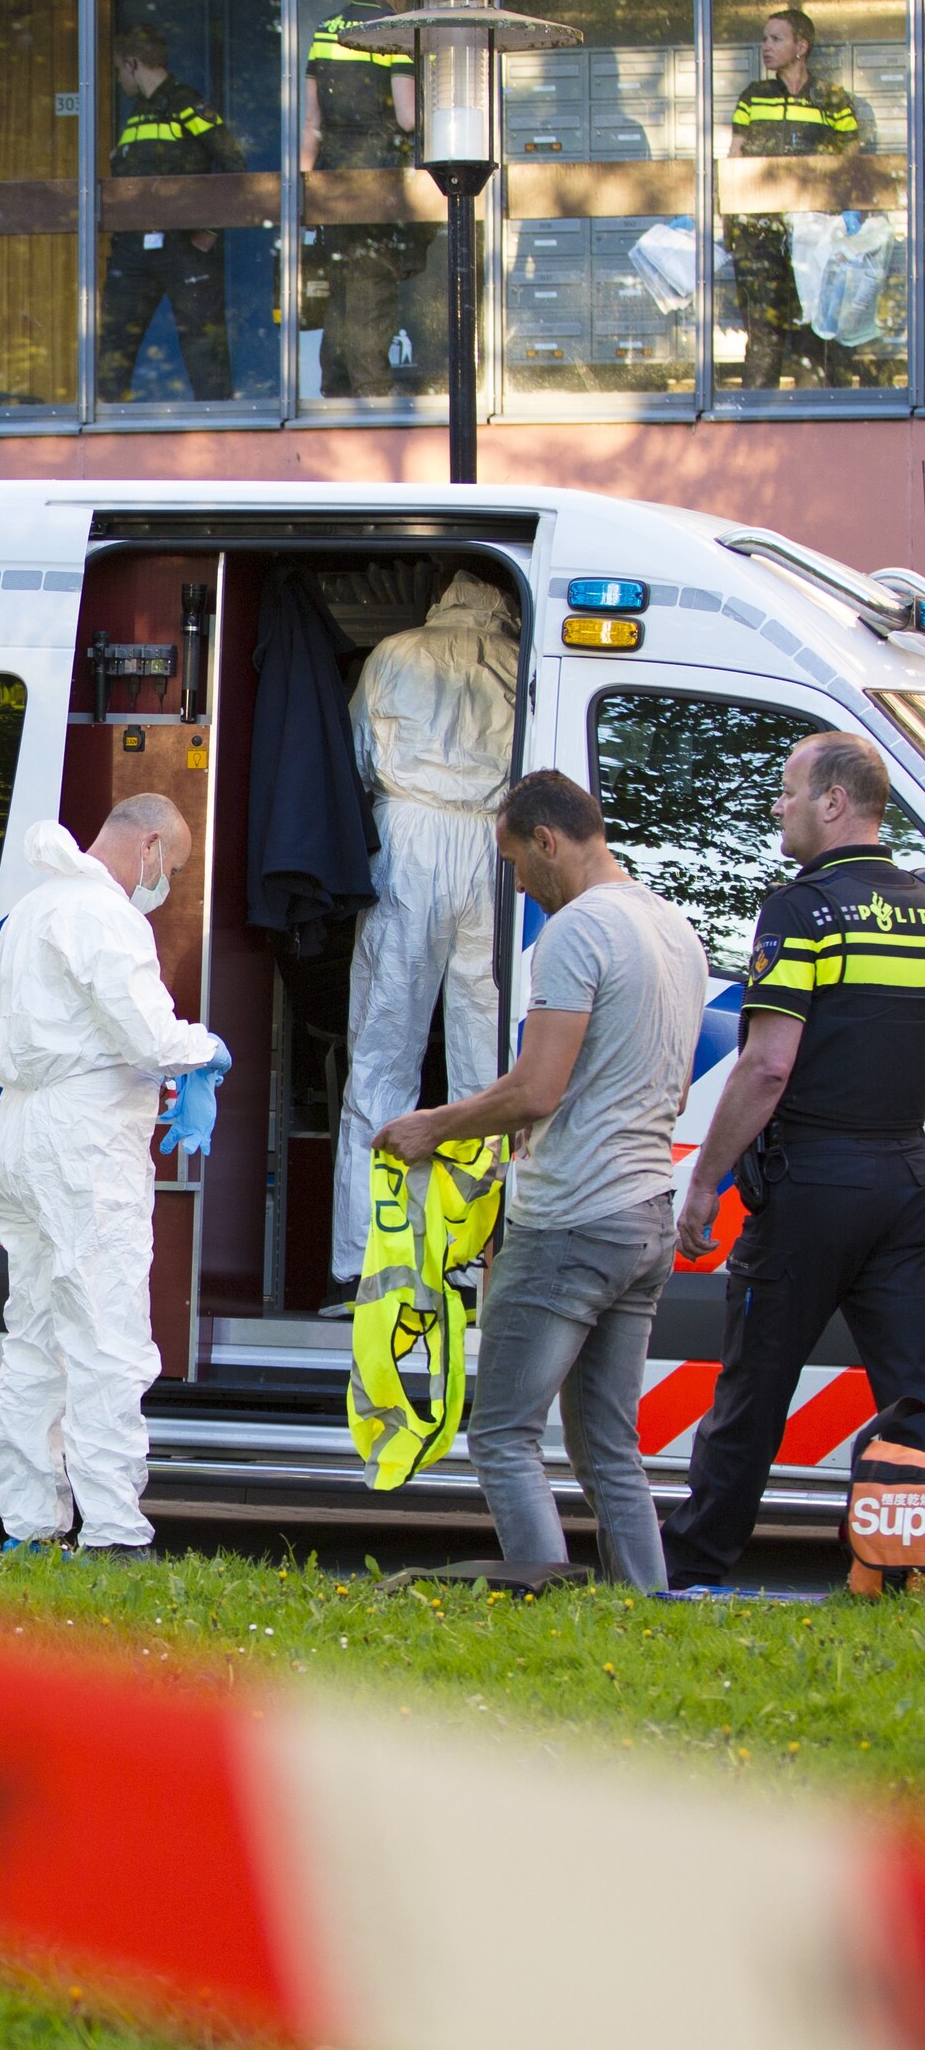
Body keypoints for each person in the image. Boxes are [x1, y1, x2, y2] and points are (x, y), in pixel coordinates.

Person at [373, 772, 705, 1589]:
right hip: (645, 1215)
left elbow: (536, 1088)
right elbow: (660, 1084)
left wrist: (430, 1126)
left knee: (504, 1434)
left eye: (517, 862)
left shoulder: (578, 930)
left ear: (549, 842)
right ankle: (647, 1608)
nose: (518, 882)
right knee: (610, 1449)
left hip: (572, 1219)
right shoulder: (674, 929)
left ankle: (542, 1607)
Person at [663, 730, 925, 1588]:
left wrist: (706, 1184)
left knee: (753, 1391)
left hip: (813, 1184)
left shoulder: (802, 909)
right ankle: (900, 1565)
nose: (777, 806)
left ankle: (692, 1566)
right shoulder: (922, 907)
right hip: (908, 1183)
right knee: (914, 1394)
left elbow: (769, 1064)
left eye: (787, 791)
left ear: (835, 803)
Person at [0, 797, 226, 1555]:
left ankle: (30, 1523)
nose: (165, 884)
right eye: (173, 869)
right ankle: (115, 1532)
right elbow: (147, 1033)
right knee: (105, 1331)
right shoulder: (105, 915)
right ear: (150, 843)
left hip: (22, 1130)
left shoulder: (32, 909)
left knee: (33, 1334)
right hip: (82, 1141)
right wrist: (208, 1051)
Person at [329, 570, 520, 1303]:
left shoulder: (393, 653)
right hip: (493, 846)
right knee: (484, 1061)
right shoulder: (517, 659)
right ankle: (470, 1260)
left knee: (383, 1052)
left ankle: (368, 1260)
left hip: (405, 835)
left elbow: (355, 755)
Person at [95, 25, 245, 404]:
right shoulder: (136, 116)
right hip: (133, 247)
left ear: (132, 63)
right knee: (115, 344)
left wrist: (209, 230)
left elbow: (233, 164)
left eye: (118, 70)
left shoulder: (185, 103)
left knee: (203, 345)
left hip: (182, 244)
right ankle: (105, 434)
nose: (119, 79)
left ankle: (221, 434)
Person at [302, 0, 421, 398]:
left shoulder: (325, 30)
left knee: (341, 289)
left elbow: (312, 123)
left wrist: (304, 191)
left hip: (332, 181)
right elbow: (408, 117)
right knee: (373, 286)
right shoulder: (396, 30)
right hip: (380, 177)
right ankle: (372, 398)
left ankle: (335, 393)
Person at [725, 8, 862, 390]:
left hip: (812, 233)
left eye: (775, 39)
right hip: (759, 230)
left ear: (801, 47)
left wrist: (844, 215)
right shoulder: (754, 96)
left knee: (815, 332)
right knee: (764, 334)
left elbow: (849, 163)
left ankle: (821, 424)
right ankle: (753, 426)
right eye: (764, 38)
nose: (765, 46)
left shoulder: (831, 99)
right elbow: (735, 158)